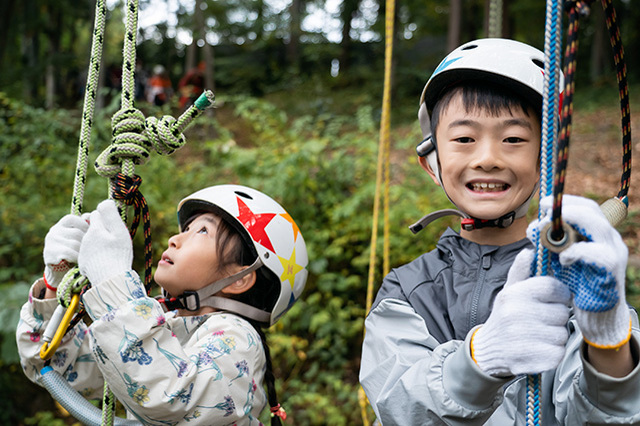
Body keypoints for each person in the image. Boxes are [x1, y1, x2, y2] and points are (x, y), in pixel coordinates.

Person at [359, 38, 640, 425]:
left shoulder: (578, 275)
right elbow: (398, 408)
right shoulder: (408, 291)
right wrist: (481, 358)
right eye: (463, 139)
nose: (488, 158)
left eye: (513, 139)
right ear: (431, 162)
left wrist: (609, 340)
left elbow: (605, 417)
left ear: (547, 160)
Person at [17, 184, 308, 425]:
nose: (174, 239)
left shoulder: (239, 338)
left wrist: (114, 283)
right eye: (186, 228)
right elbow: (56, 367)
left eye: (202, 232)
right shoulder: (163, 329)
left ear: (238, 279)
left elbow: (173, 398)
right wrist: (54, 286)